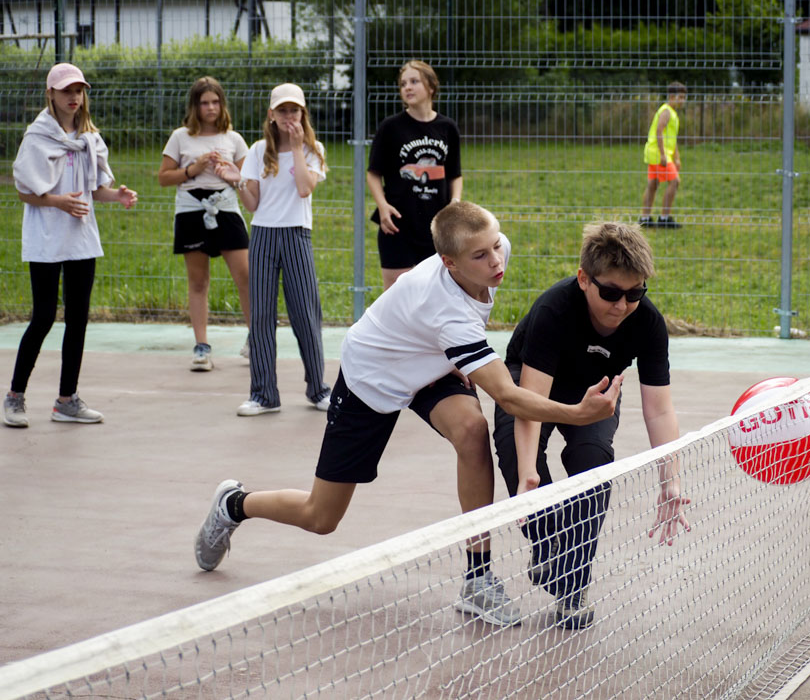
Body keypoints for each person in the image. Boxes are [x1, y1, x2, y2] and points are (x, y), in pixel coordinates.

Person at [193, 202, 624, 629]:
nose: (496, 260)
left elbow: (450, 310)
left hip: (430, 363)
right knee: (320, 517)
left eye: (495, 245)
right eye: (480, 255)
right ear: (449, 262)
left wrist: (452, 354)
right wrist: (577, 413)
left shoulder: (490, 255)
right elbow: (509, 398)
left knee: (472, 430)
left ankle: (477, 578)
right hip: (373, 378)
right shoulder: (446, 312)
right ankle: (235, 504)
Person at [492, 222, 690, 629]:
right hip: (532, 381)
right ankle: (547, 540)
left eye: (635, 294)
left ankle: (574, 587)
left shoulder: (648, 323)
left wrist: (670, 481)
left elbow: (659, 410)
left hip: (597, 390)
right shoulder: (554, 310)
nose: (622, 305)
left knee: (594, 462)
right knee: (516, 450)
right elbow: (531, 402)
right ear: (584, 279)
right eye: (611, 293)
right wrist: (527, 474)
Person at [3, 62, 137, 429]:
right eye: (66, 91)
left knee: (78, 318)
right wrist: (58, 202)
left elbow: (95, 190)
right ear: (50, 94)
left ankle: (66, 401)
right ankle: (14, 395)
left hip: (80, 239)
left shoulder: (89, 138)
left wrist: (117, 195)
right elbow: (24, 191)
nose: (74, 97)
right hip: (47, 239)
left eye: (78, 90)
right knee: (44, 316)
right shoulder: (37, 137)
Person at [213, 83, 331, 416]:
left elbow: (305, 189)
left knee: (305, 314)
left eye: (294, 110)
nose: (288, 116)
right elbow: (252, 204)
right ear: (271, 114)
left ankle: (318, 389)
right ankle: (264, 394)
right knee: (261, 315)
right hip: (263, 234)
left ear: (303, 114)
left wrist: (296, 148)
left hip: (296, 234)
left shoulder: (313, 150)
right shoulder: (257, 150)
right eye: (282, 110)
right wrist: (236, 180)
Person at [158, 76, 251, 372]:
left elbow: (248, 180)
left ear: (222, 104)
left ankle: (257, 339)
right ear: (194, 106)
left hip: (226, 208)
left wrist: (229, 174)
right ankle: (201, 346)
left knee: (246, 277)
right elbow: (164, 177)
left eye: (215, 102)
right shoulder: (180, 137)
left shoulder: (233, 139)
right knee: (198, 281)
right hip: (191, 211)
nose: (210, 108)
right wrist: (193, 169)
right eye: (204, 103)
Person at [367, 60, 461, 289]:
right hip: (397, 224)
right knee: (397, 295)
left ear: (431, 87)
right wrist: (382, 206)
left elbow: (454, 174)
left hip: (436, 226)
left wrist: (455, 203)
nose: (407, 87)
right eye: (403, 84)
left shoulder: (447, 127)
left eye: (414, 81)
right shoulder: (390, 127)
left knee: (436, 293)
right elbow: (373, 174)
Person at [640, 82, 687, 230]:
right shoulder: (666, 112)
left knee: (653, 185)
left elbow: (671, 138)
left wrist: (676, 156)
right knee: (674, 181)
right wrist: (662, 154)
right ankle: (664, 218)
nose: (683, 100)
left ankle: (645, 218)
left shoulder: (671, 112)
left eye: (684, 97)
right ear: (672, 97)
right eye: (680, 97)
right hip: (659, 153)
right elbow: (659, 131)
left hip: (655, 153)